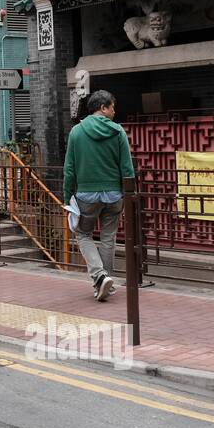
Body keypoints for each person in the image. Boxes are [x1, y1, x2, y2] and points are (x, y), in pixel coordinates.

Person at [63, 90, 136, 301]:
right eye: (112, 106)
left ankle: (99, 275)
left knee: (83, 234)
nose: (114, 111)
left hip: (86, 194)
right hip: (114, 195)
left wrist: (68, 197)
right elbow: (127, 168)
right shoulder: (118, 131)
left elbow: (69, 169)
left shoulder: (76, 132)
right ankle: (106, 282)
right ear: (102, 108)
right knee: (108, 236)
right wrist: (128, 193)